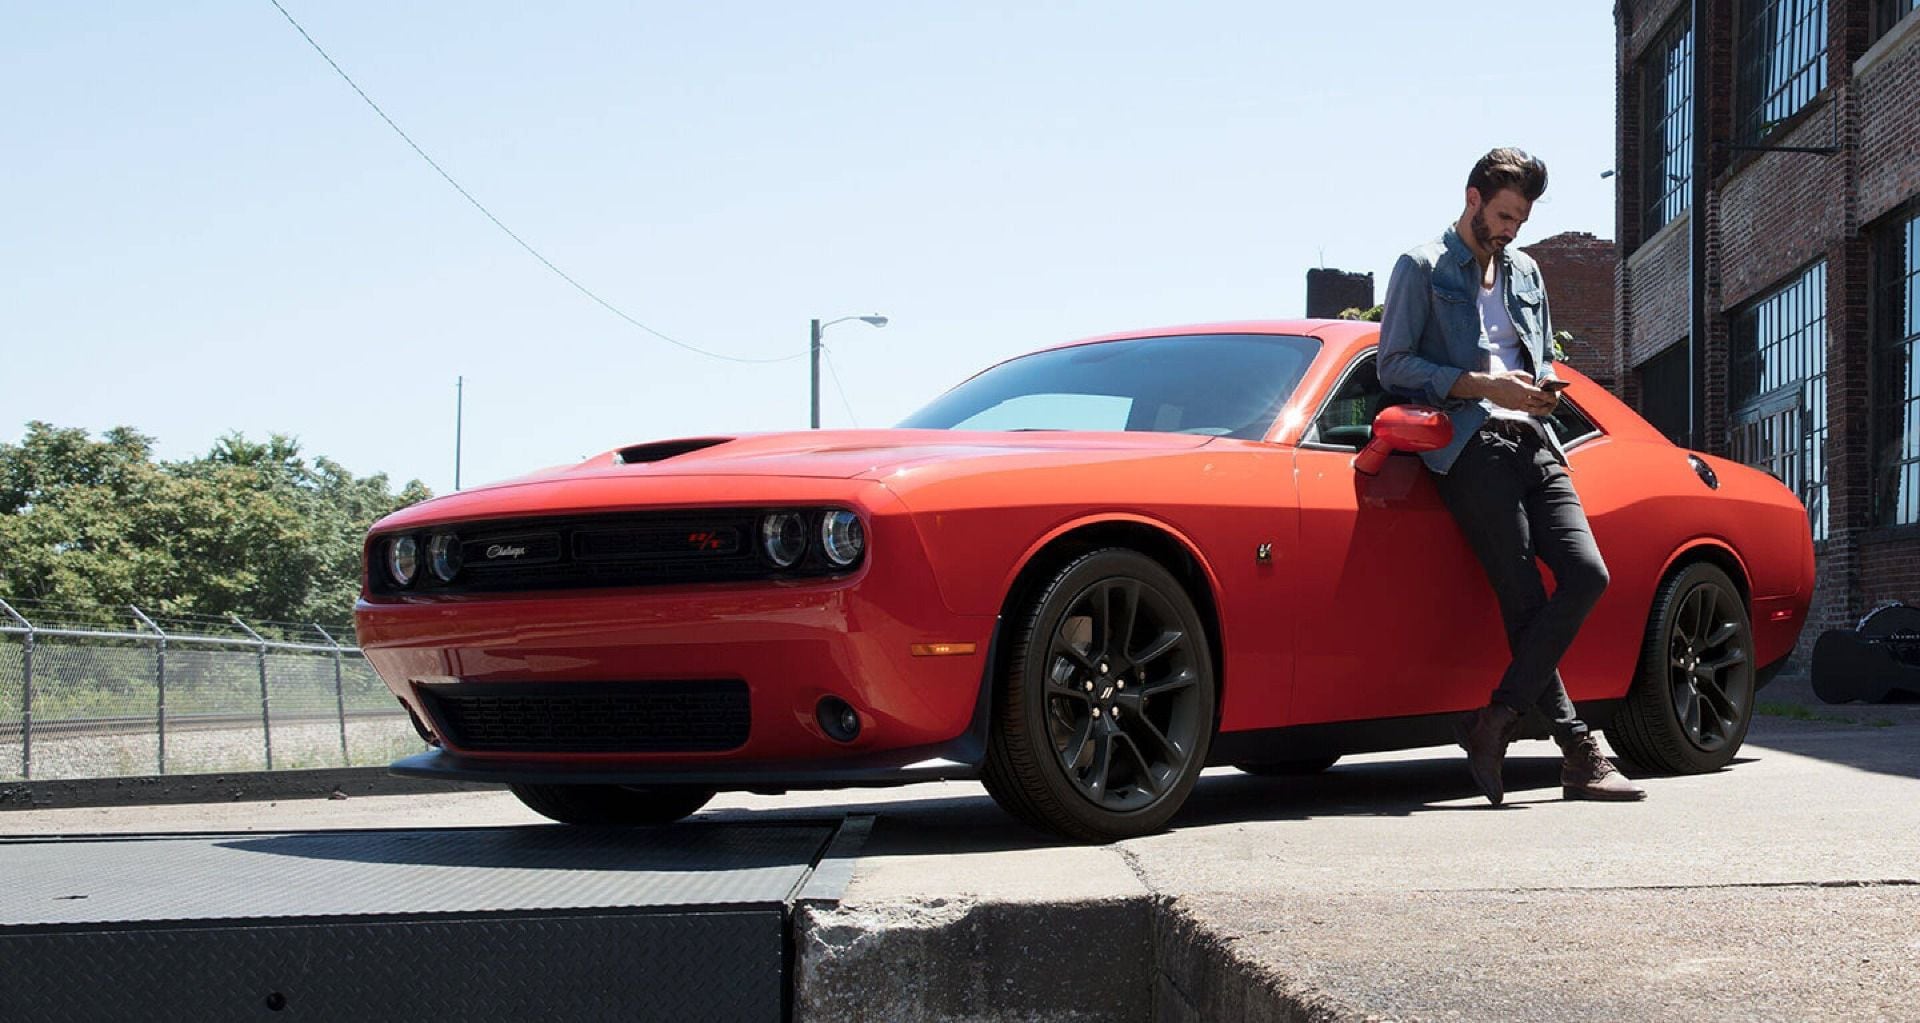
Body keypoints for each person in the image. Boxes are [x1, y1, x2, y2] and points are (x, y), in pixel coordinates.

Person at [1376, 147, 1645, 805]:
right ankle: (1580, 750)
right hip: (1469, 442)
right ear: (1472, 199)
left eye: (1519, 219)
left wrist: (1543, 388)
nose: (1510, 230)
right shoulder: (1422, 267)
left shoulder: (1526, 271)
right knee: (1522, 595)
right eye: (1502, 215)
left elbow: (1540, 351)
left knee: (1588, 573)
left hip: (1534, 436)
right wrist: (1479, 384)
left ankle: (1493, 719)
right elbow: (1393, 364)